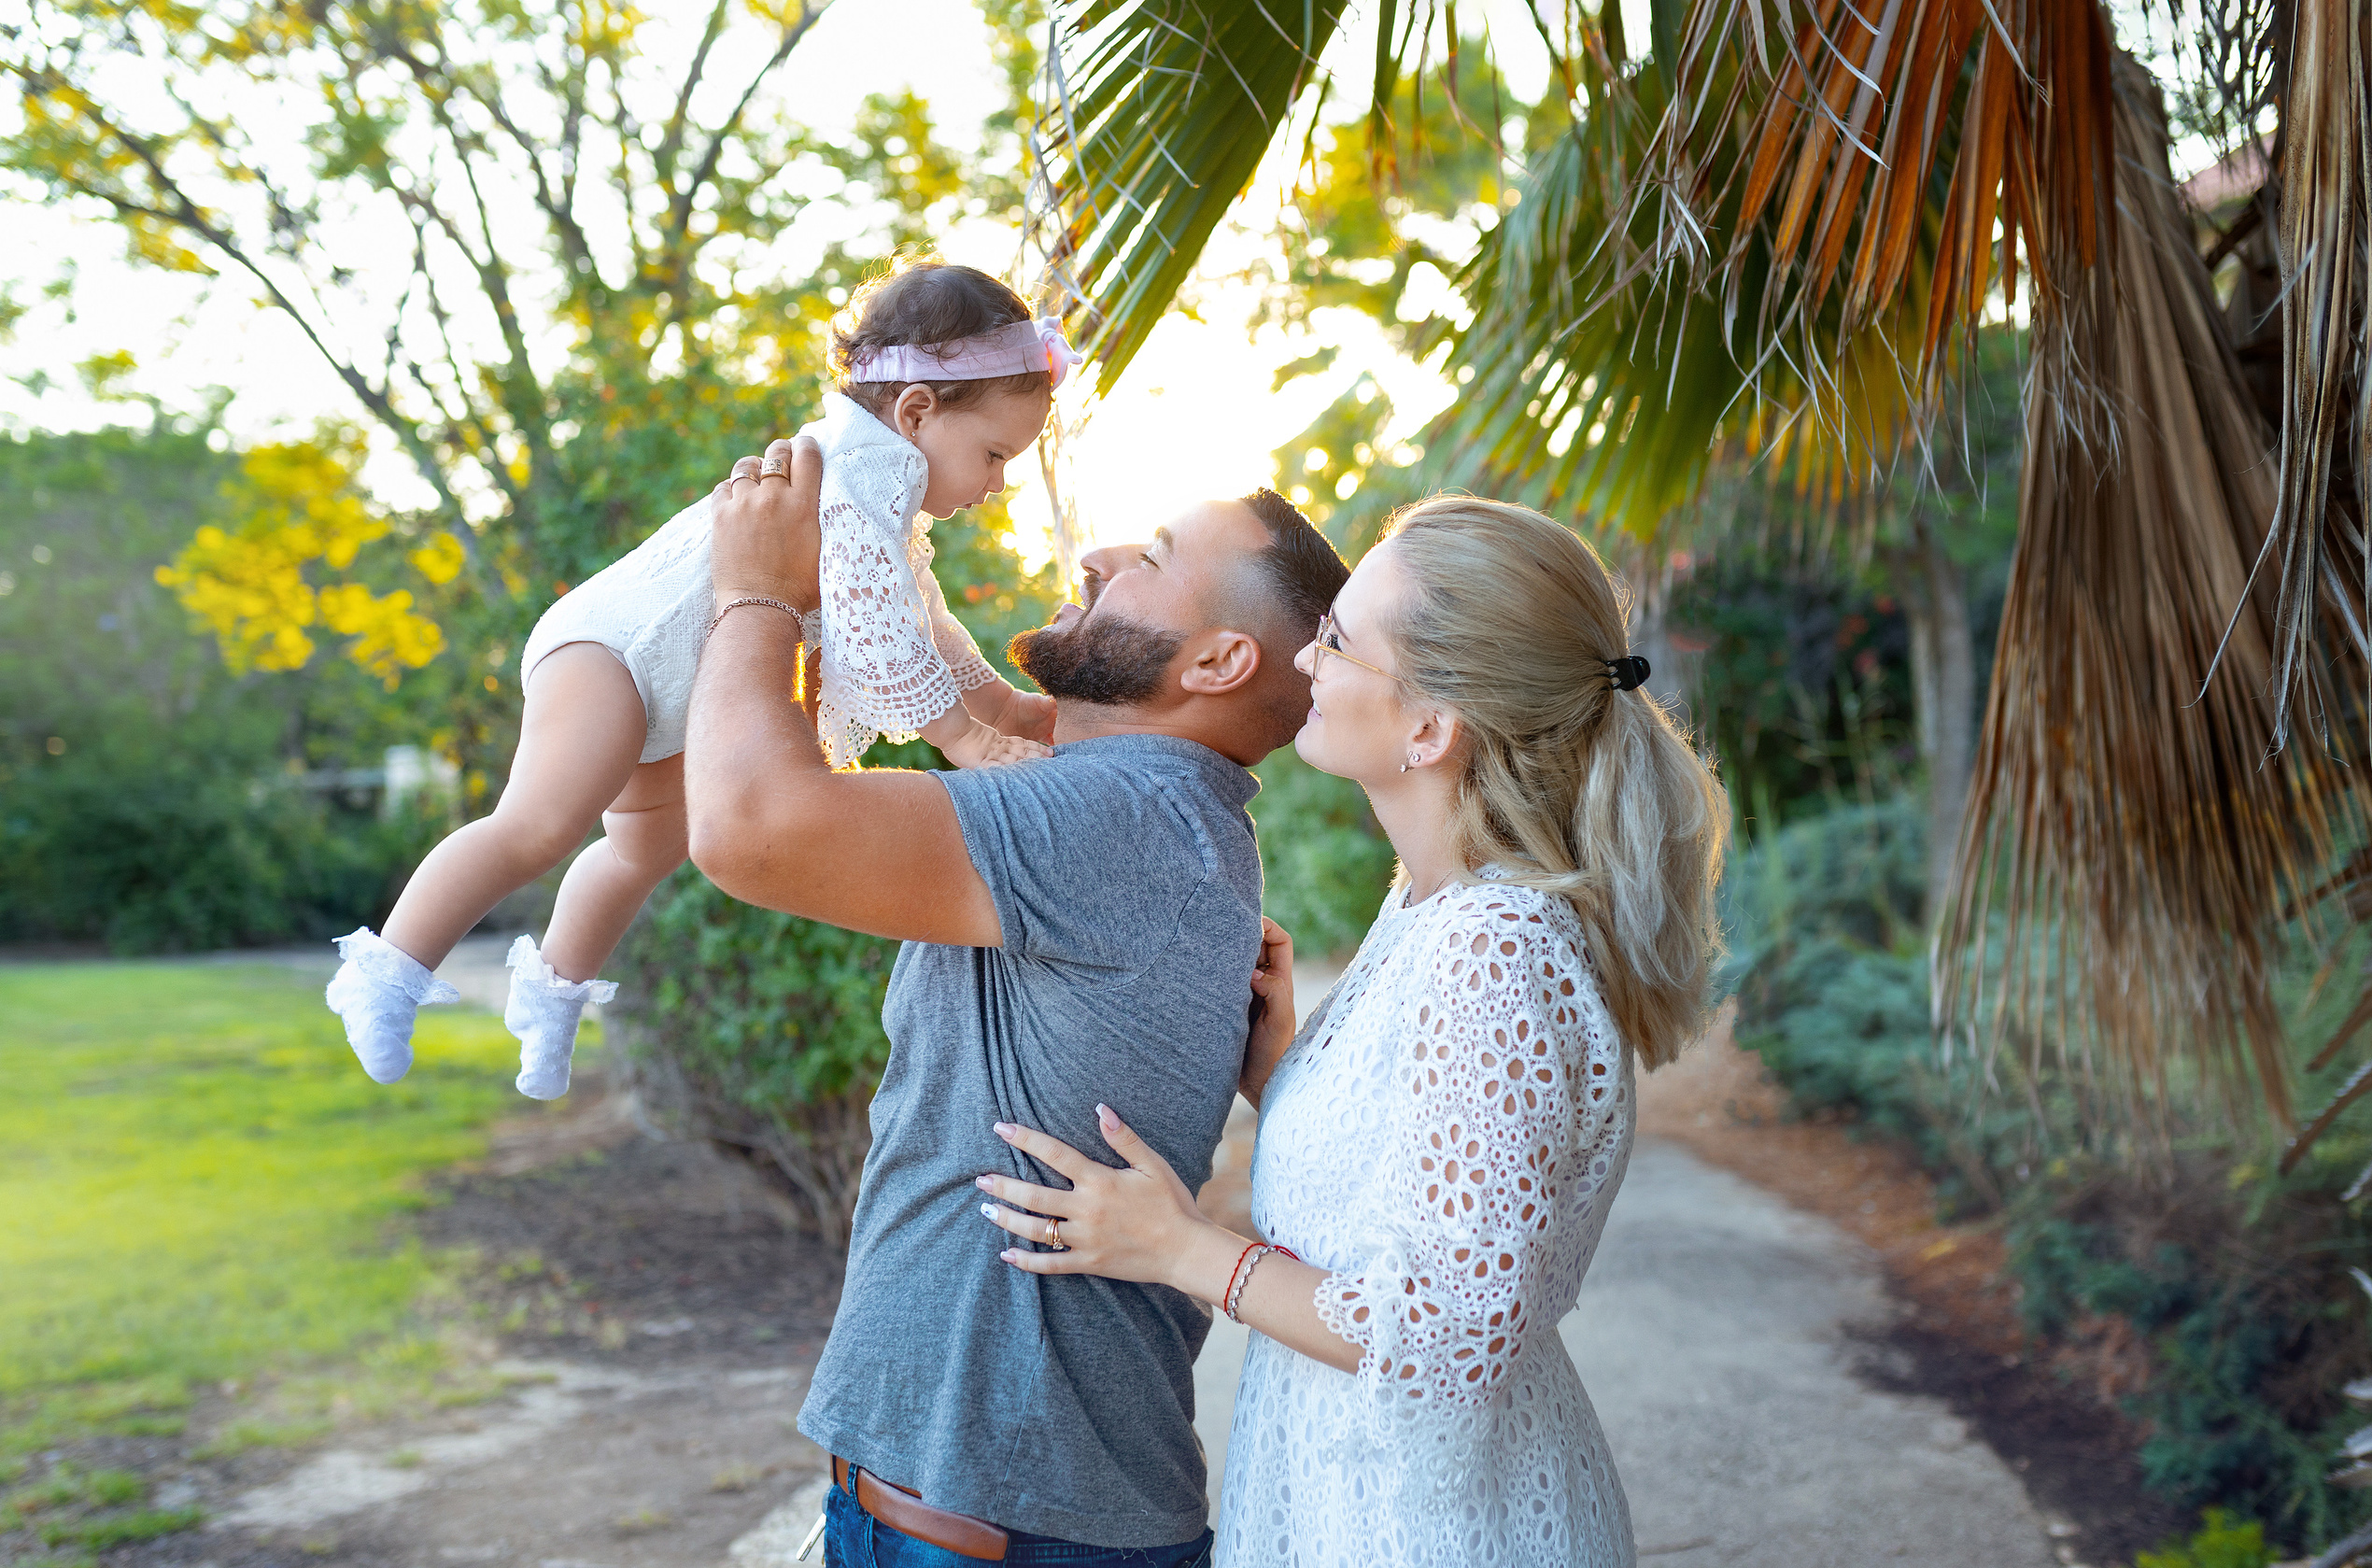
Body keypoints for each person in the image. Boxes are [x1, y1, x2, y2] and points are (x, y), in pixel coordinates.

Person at [972, 496, 1730, 1566]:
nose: (1304, 658)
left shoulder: (1494, 946)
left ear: (1431, 726)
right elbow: (1411, 1195)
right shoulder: (1429, 904)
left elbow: (1454, 1330)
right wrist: (1286, 1071)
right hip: (1362, 1498)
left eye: (1335, 637)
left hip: (1438, 1527)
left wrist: (1183, 1248)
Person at [690, 433, 1350, 1566]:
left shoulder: (1124, 815)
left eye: (1149, 555)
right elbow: (976, 701)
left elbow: (750, 827)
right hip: (1000, 1513)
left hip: (988, 1527)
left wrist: (753, 587)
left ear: (1218, 660)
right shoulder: (1151, 809)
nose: (1095, 554)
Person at [322, 261, 1066, 1101]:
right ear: (918, 411)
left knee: (642, 848)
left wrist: (1002, 706)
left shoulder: (885, 491)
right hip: (613, 651)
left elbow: (924, 617)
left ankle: (552, 990)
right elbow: (878, 623)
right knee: (539, 824)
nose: (998, 483)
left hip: (670, 694)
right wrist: (967, 735)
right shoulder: (851, 471)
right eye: (994, 453)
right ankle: (385, 972)